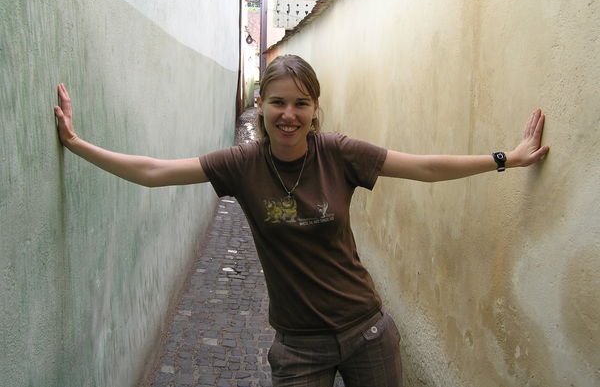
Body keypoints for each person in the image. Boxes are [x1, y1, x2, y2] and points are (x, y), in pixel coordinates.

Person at [53, 55, 549, 387]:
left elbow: (422, 167)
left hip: (367, 333)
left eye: (301, 103)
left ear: (314, 109)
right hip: (297, 347)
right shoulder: (239, 166)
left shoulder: (339, 153)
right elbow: (153, 173)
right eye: (278, 102)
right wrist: (78, 145)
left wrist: (506, 158)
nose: (289, 114)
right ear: (260, 106)